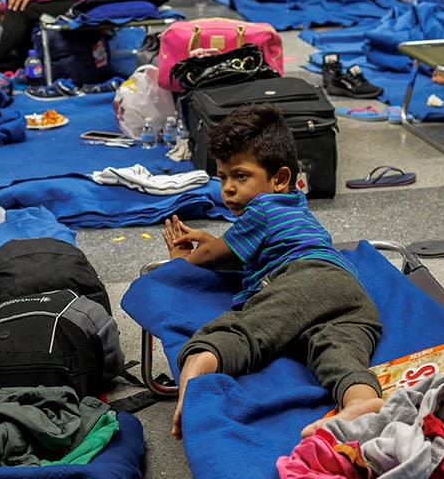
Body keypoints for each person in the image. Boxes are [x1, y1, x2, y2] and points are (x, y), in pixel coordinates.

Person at [162, 104, 384, 440]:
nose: (228, 189)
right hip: (350, 294)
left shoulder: (262, 209)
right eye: (222, 177)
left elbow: (213, 256)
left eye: (240, 175)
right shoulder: (293, 204)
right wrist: (213, 243)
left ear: (279, 178)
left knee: (247, 330)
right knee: (336, 350)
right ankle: (361, 401)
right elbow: (240, 251)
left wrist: (182, 258)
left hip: (304, 279)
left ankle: (196, 377)